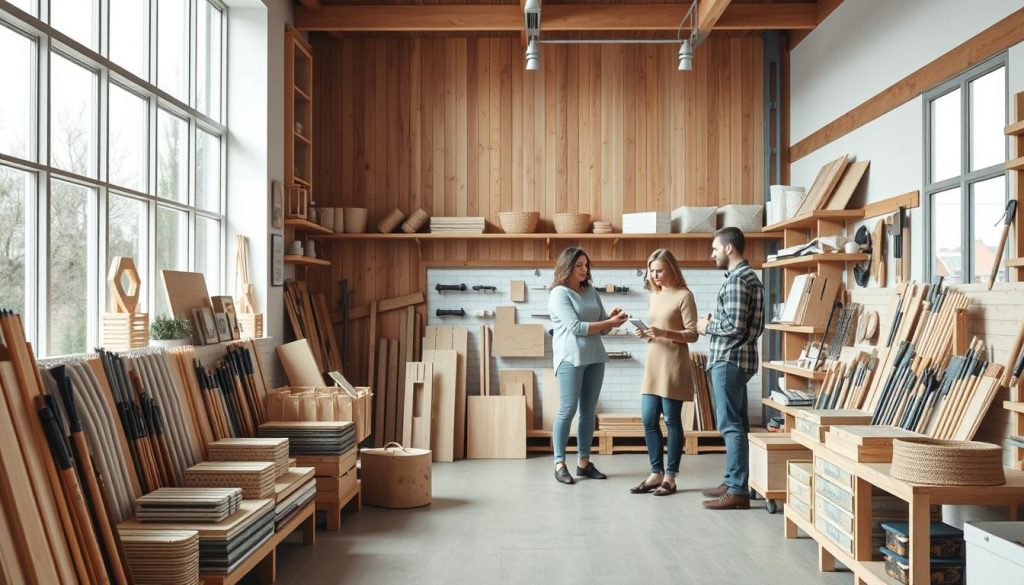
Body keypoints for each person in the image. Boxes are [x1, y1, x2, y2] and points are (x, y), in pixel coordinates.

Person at [697, 227, 765, 510]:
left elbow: (735, 326)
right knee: (738, 424)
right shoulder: (751, 278)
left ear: (728, 248)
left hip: (729, 359)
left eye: (715, 248)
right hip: (739, 359)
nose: (711, 253)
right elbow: (749, 325)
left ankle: (737, 490)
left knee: (731, 426)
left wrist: (705, 327)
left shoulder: (737, 280)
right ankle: (735, 481)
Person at [548, 247, 627, 485]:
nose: (584, 269)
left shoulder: (591, 291)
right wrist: (607, 321)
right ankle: (559, 463)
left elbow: (602, 328)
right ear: (567, 267)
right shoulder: (559, 294)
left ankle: (583, 462)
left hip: (594, 357)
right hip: (570, 358)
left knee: (588, 413)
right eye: (578, 265)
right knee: (567, 409)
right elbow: (577, 328)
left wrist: (612, 320)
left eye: (586, 265)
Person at [630, 249, 698, 497]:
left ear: (670, 268)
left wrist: (664, 333)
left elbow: (693, 334)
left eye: (658, 270)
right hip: (653, 363)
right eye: (651, 270)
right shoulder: (654, 295)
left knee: (671, 420)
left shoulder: (684, 296)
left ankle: (670, 477)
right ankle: (655, 473)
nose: (654, 274)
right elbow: (657, 329)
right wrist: (646, 333)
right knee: (648, 420)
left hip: (673, 364)